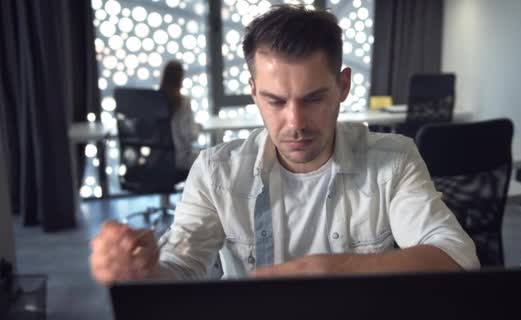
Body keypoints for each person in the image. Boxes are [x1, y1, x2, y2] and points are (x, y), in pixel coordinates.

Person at [89, 5, 479, 285]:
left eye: (313, 98)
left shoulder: (394, 160)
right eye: (275, 101)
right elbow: (180, 266)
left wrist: (331, 270)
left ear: (342, 86)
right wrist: (144, 271)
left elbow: (458, 259)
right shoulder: (215, 172)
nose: (295, 124)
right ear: (255, 93)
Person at [159, 60, 200, 170]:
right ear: (180, 79)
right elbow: (191, 136)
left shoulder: (155, 101)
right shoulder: (184, 102)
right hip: (181, 161)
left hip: (158, 161)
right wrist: (197, 128)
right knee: (211, 160)